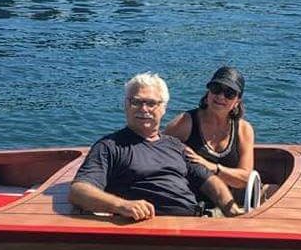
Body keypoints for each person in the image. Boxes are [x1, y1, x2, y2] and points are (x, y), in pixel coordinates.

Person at [69, 72, 243, 221]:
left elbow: (210, 181)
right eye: (136, 102)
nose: (144, 109)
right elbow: (79, 190)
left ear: (164, 108)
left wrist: (231, 209)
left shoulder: (175, 146)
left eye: (151, 103)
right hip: (149, 231)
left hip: (193, 223)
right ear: (125, 105)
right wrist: (121, 206)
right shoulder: (109, 147)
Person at [164, 66, 255, 202]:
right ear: (208, 93)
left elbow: (245, 179)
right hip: (190, 202)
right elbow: (156, 150)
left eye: (229, 93)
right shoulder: (185, 122)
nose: (220, 96)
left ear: (237, 102)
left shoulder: (244, 130)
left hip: (230, 203)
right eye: (216, 89)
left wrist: (212, 167)